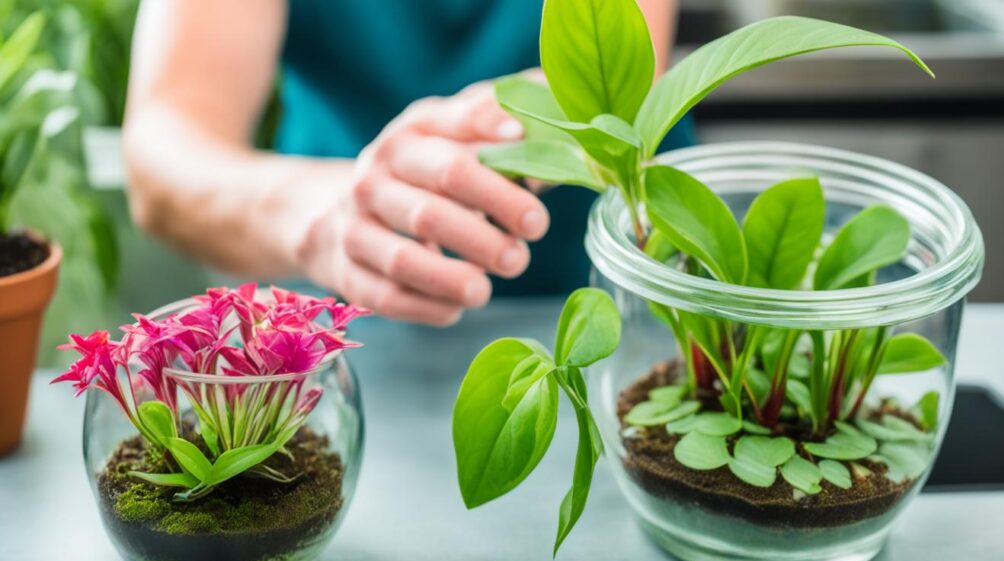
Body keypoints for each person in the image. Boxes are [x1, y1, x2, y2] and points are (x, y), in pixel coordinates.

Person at [124, 0, 686, 326]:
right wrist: (323, 214)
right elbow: (165, 144)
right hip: (359, 311)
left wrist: (498, 137)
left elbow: (622, 62)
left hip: (637, 281)